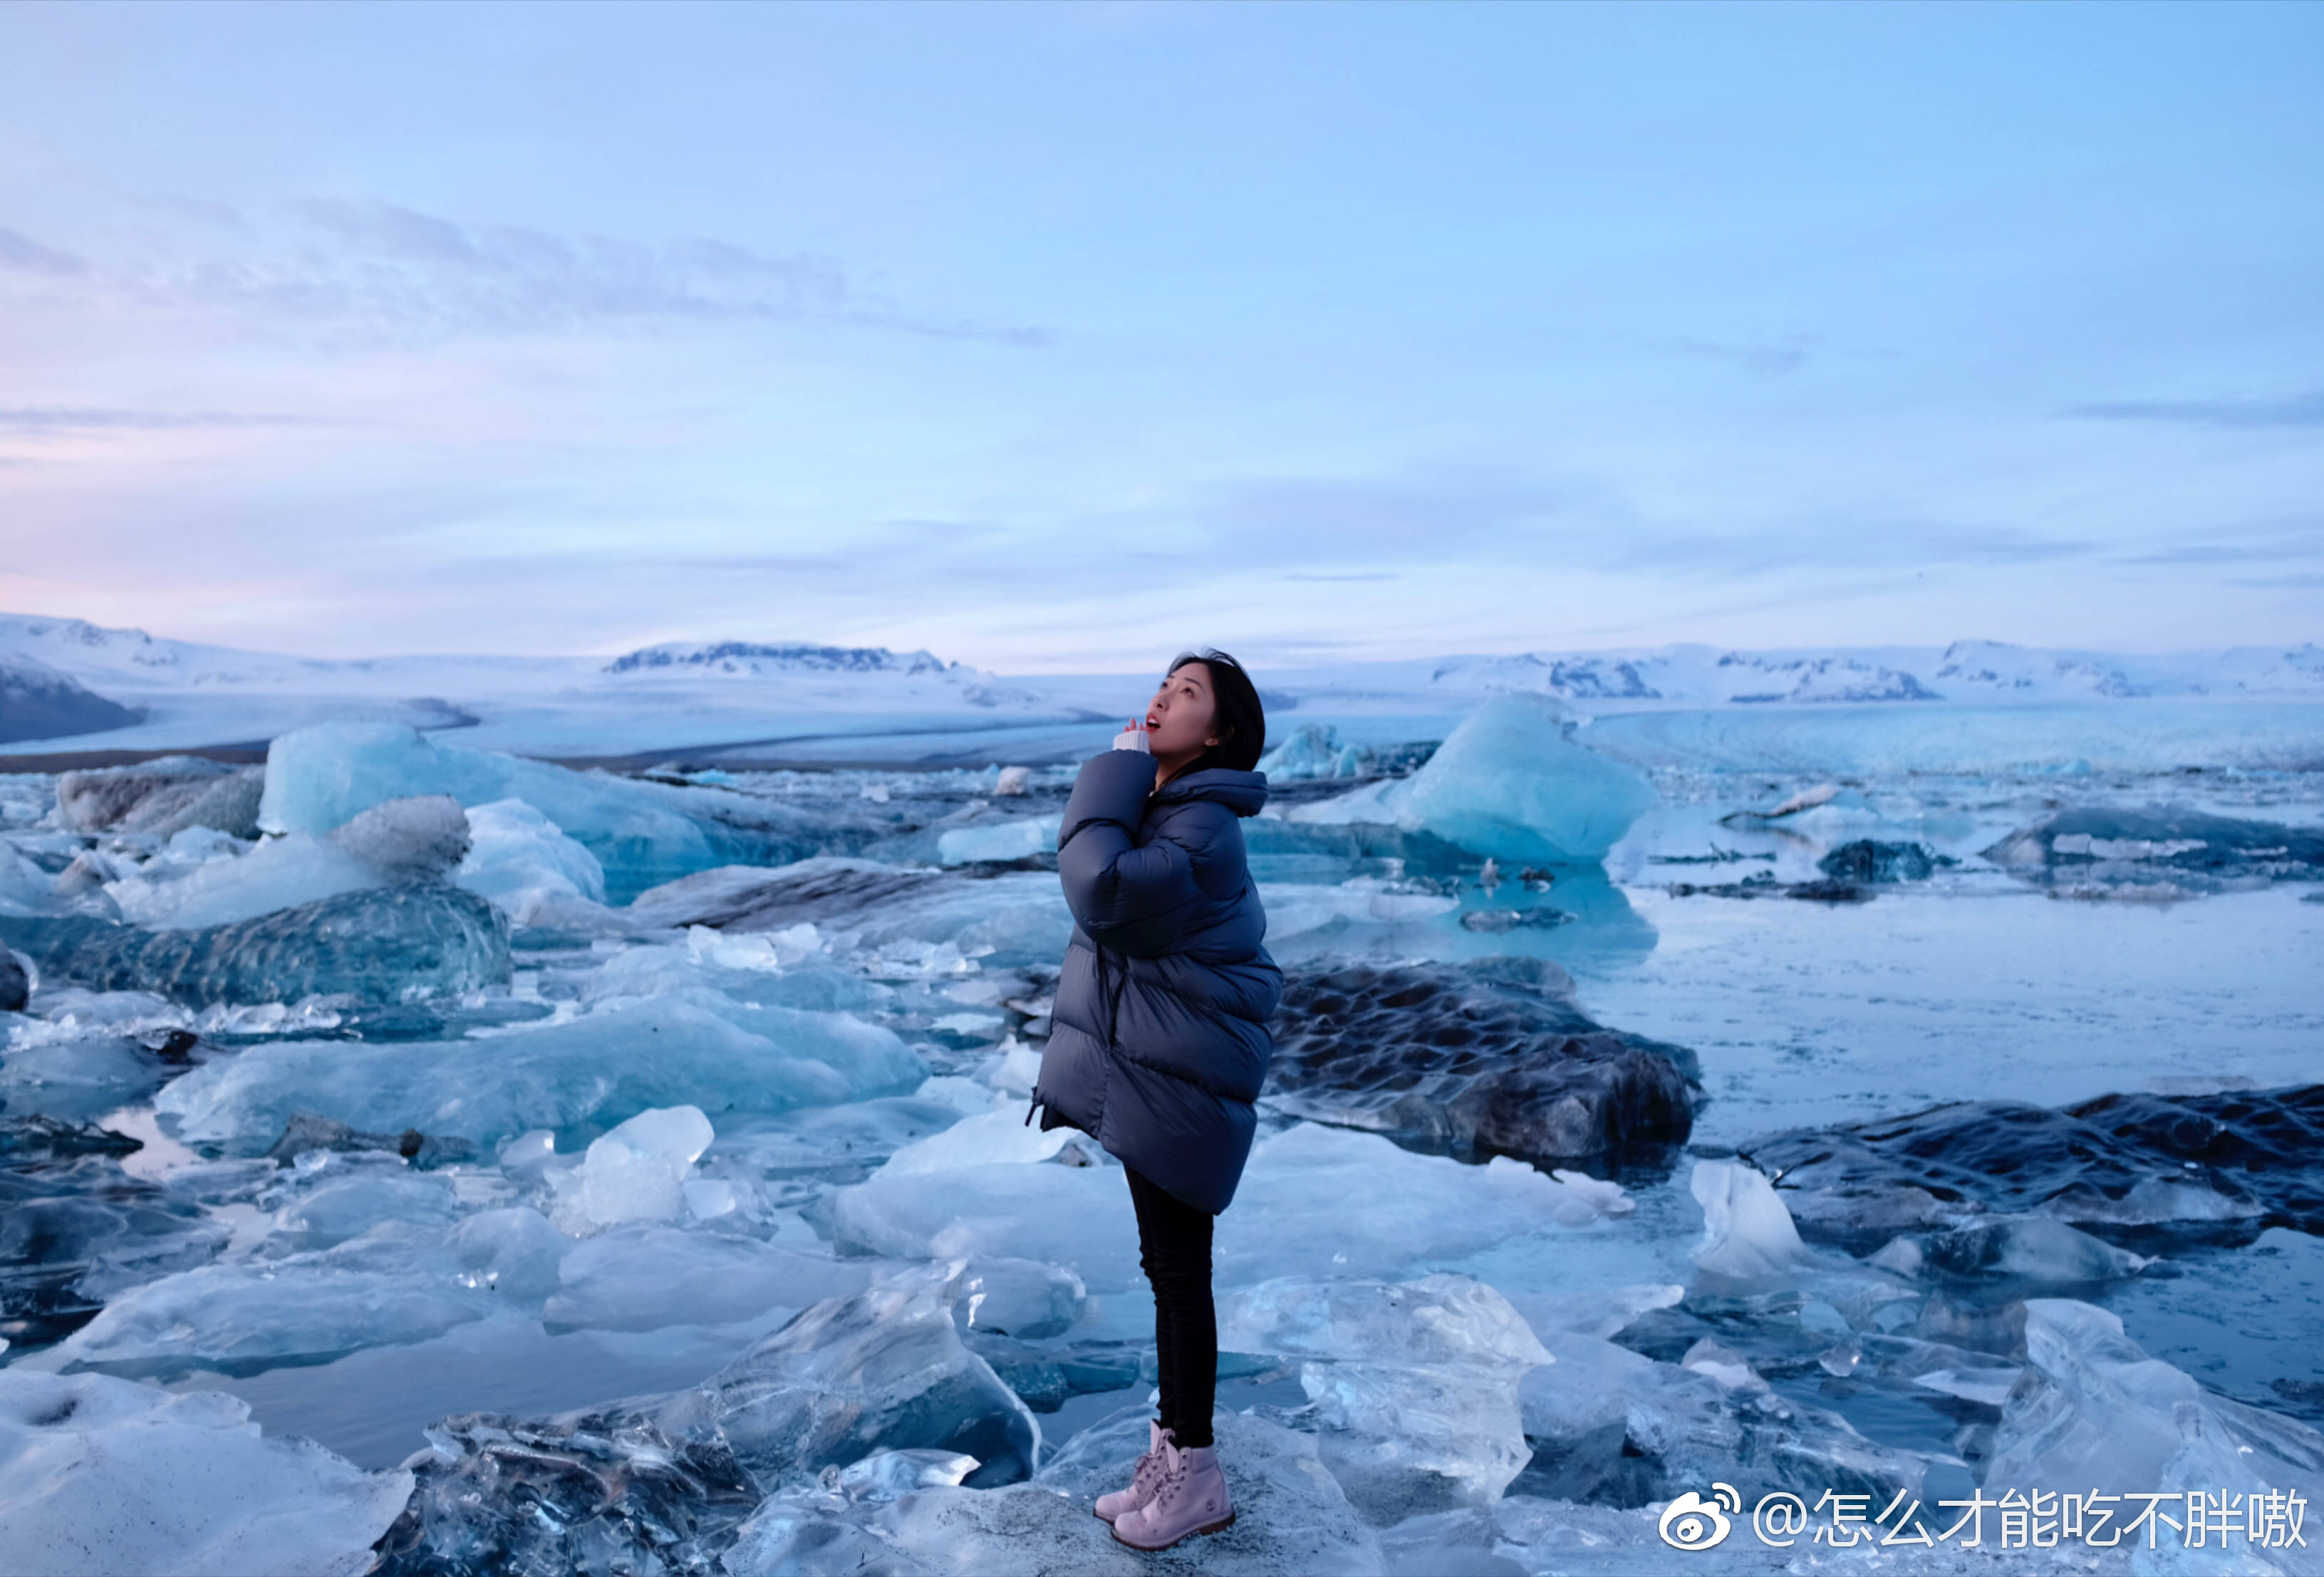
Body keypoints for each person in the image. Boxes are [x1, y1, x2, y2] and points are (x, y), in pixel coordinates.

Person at [1025, 648, 1278, 1551]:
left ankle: (1195, 1477)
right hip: (1162, 1071)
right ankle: (1169, 1459)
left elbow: (1101, 887)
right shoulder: (1171, 808)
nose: (1160, 700)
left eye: (1185, 694)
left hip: (1184, 1076)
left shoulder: (1200, 825)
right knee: (1168, 1270)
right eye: (1161, 687)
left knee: (1179, 1275)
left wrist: (1115, 769)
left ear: (1217, 732)